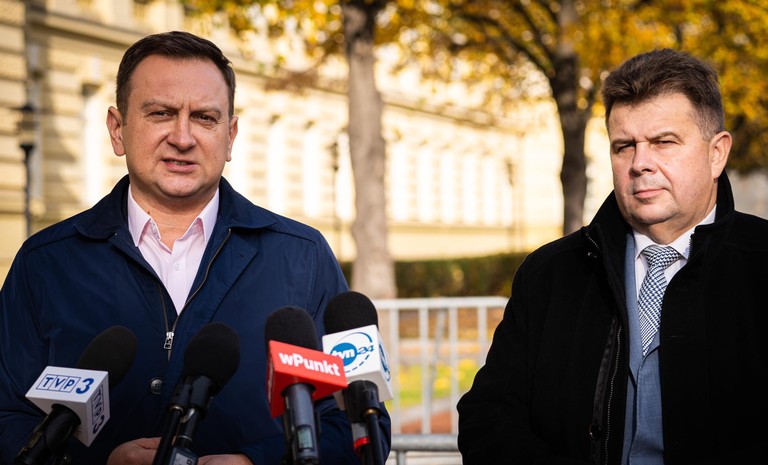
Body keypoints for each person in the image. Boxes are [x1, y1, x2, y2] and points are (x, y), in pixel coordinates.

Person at [0, 31, 390, 465]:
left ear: (230, 136)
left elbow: (360, 426)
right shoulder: (45, 264)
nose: (182, 138)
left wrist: (256, 462)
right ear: (117, 129)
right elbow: (7, 417)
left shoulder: (303, 258)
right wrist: (99, 463)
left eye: (204, 118)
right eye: (161, 113)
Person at [457, 48, 767, 464]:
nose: (640, 164)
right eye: (624, 146)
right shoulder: (551, 273)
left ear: (717, 153)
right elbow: (489, 415)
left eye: (663, 142)